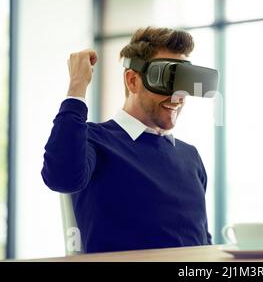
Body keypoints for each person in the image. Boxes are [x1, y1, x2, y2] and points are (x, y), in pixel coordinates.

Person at [41, 27, 212, 253]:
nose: (177, 97)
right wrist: (77, 86)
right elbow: (61, 178)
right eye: (166, 80)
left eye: (183, 82)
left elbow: (202, 240)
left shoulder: (190, 156)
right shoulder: (94, 141)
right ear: (132, 81)